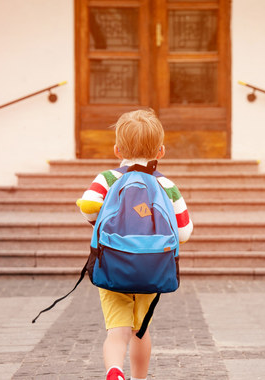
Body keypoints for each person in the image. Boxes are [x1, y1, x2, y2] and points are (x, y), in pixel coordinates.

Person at [76, 109, 193, 380]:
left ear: (117, 150)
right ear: (160, 151)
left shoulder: (107, 178)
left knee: (116, 332)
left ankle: (114, 371)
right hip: (152, 267)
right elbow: (184, 232)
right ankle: (140, 379)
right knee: (141, 331)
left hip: (112, 264)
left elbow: (88, 208)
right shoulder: (166, 185)